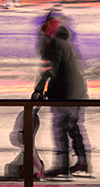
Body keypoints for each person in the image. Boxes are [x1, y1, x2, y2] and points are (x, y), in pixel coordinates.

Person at [32, 11, 89, 177]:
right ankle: (82, 160)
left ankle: (63, 164)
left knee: (60, 126)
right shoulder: (66, 43)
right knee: (72, 126)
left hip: (66, 92)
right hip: (75, 91)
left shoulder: (55, 44)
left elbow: (50, 69)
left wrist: (39, 89)